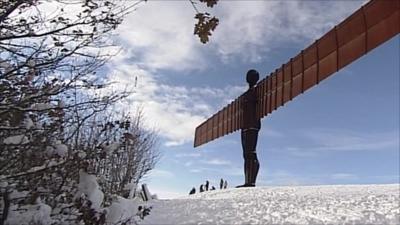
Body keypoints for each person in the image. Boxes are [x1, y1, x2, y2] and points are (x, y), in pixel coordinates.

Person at [236, 69, 261, 188]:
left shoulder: (258, 90)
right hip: (245, 126)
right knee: (245, 154)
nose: (248, 78)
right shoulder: (246, 94)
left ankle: (251, 181)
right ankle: (247, 180)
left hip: (252, 125)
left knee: (251, 153)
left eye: (250, 76)